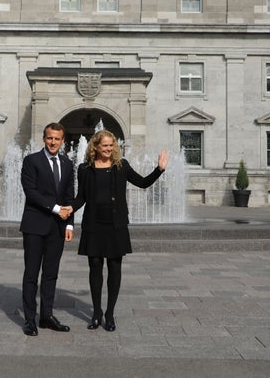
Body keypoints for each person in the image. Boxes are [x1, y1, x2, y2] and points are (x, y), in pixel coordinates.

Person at [71, 129, 169, 332]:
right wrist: (68, 209)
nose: (109, 148)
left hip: (116, 226)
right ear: (95, 147)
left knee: (115, 270)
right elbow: (81, 197)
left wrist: (159, 169)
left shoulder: (121, 166)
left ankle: (110, 313)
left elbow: (142, 183)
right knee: (95, 269)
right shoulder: (84, 169)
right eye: (105, 145)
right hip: (93, 225)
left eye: (111, 145)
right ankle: (96, 313)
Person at [19, 122, 75, 336]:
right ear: (44, 138)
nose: (53, 142)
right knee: (31, 274)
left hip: (58, 228)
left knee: (51, 274)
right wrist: (56, 209)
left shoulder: (67, 163)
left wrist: (69, 223)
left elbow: (70, 194)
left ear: (62, 141)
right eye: (50, 138)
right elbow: (30, 192)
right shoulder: (32, 160)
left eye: (57, 139)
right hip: (35, 226)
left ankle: (46, 316)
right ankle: (30, 319)